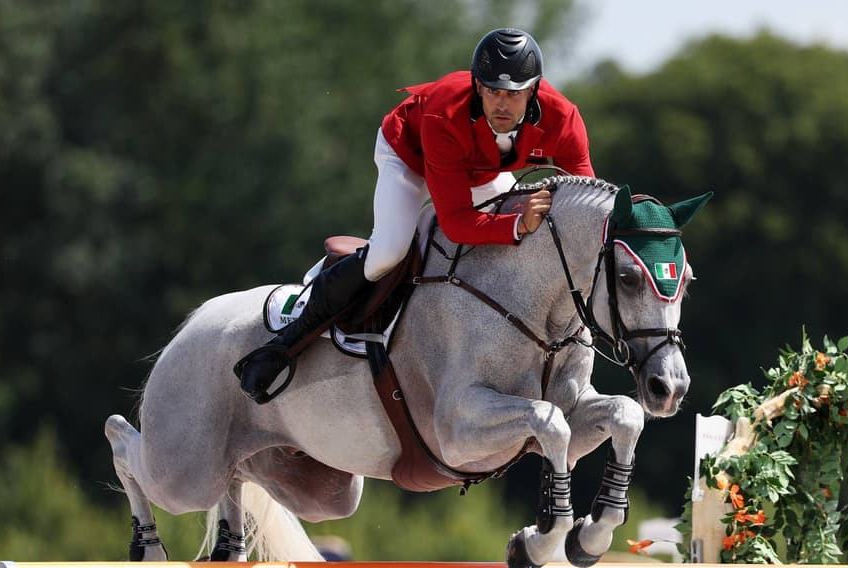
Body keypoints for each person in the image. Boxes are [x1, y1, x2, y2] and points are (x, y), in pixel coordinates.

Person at [235, 28, 595, 403]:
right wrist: (518, 223)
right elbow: (456, 223)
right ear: (478, 86)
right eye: (492, 91)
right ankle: (290, 335)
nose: (502, 104)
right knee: (390, 251)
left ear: (534, 90)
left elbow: (587, 207)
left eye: (514, 94)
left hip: (479, 171)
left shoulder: (564, 119)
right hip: (409, 157)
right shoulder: (446, 112)